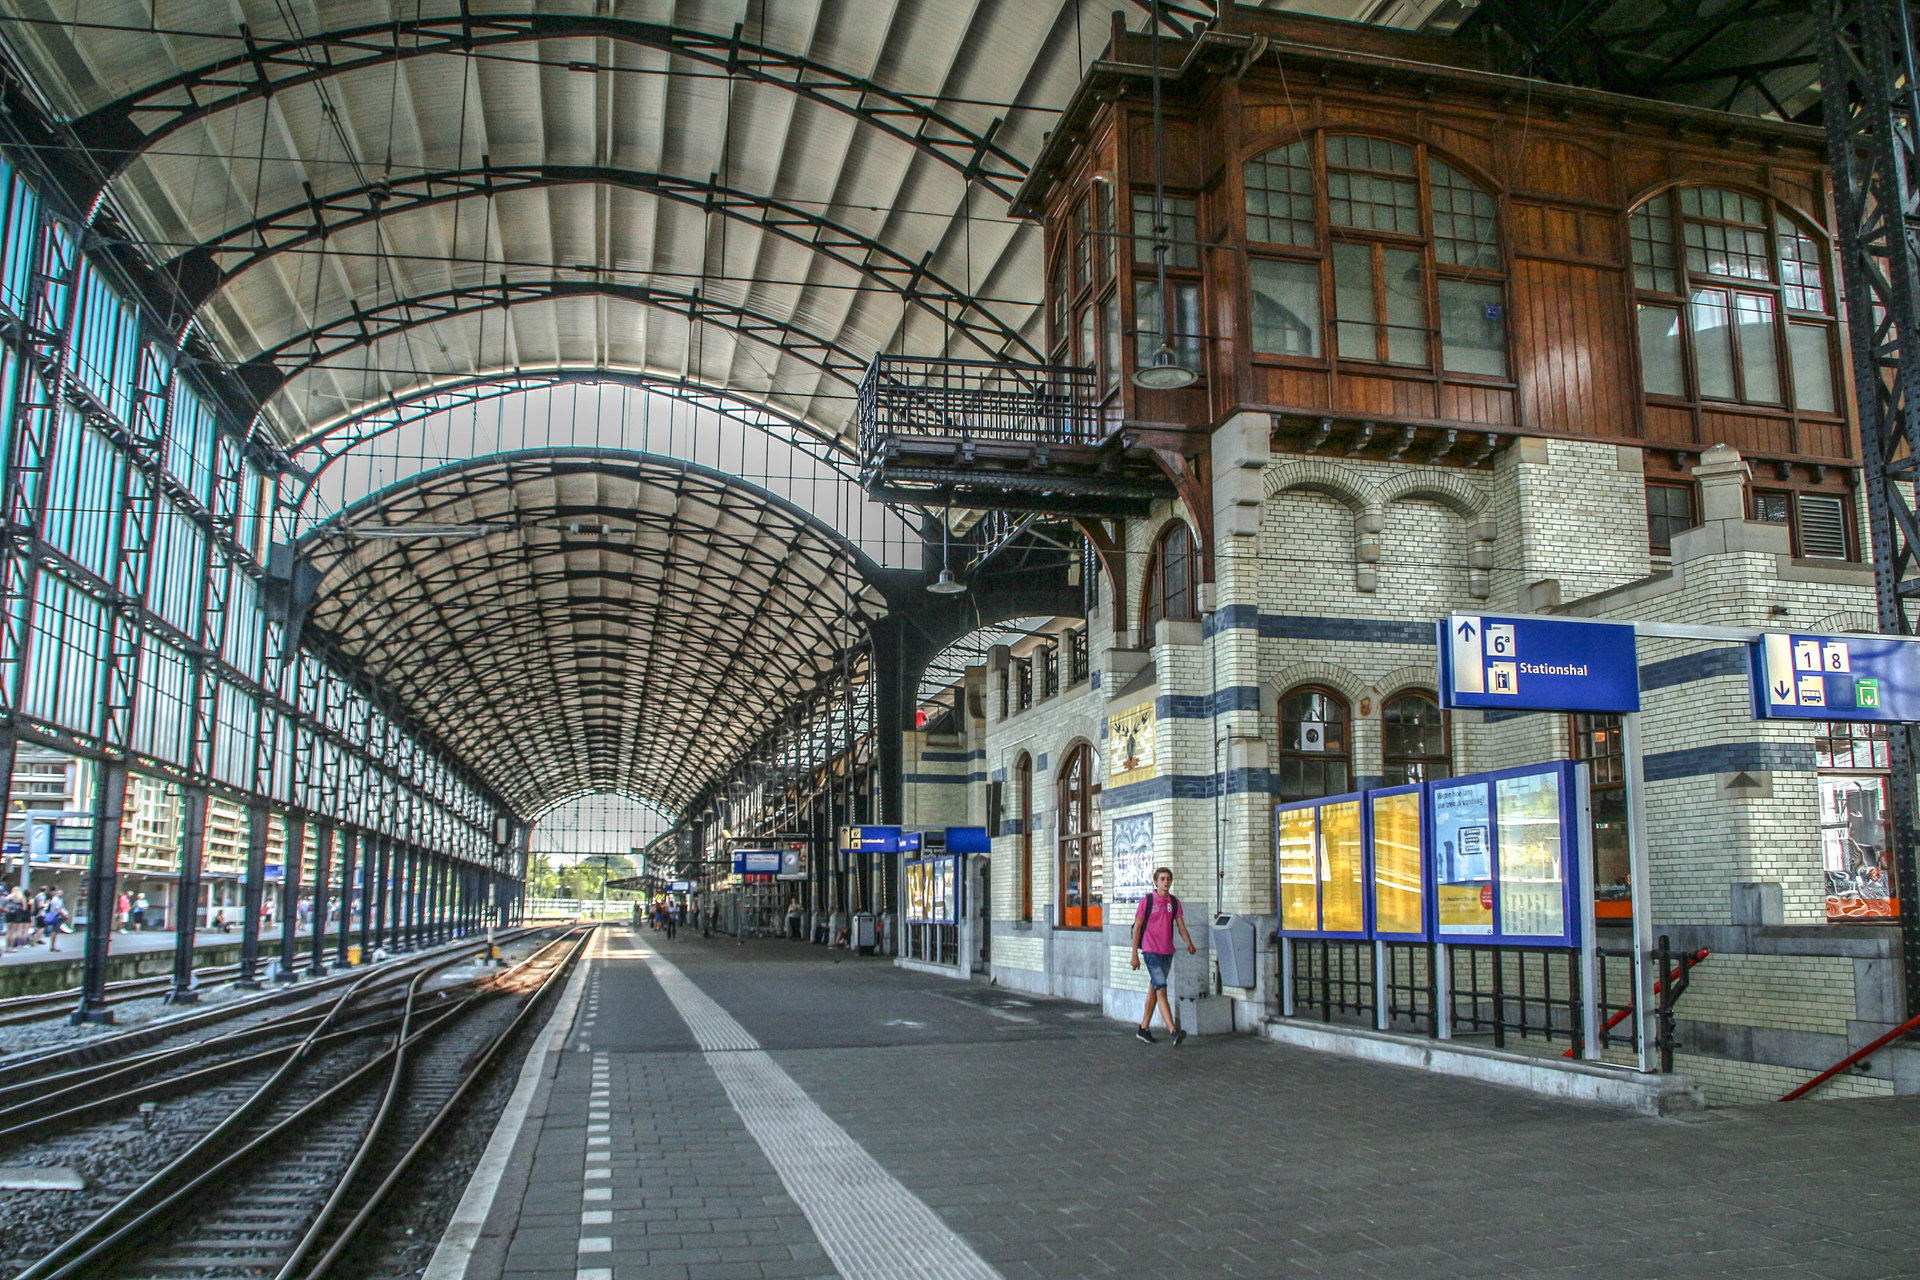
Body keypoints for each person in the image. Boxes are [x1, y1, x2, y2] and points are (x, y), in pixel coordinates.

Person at [1129, 866, 1196, 1046]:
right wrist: (1134, 954)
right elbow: (1137, 928)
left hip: (1167, 952)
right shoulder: (1147, 901)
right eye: (1163, 879)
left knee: (1154, 988)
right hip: (1151, 952)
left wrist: (1189, 943)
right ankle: (1173, 1031)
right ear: (1156, 882)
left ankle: (1143, 1029)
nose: (1166, 882)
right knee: (1162, 990)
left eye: (1168, 879)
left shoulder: (1174, 903)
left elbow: (1181, 926)